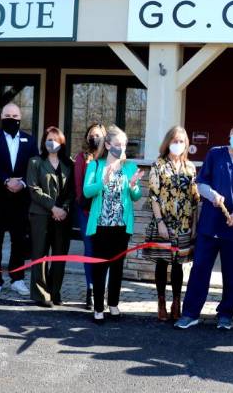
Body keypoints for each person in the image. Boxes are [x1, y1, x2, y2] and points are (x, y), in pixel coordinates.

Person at [174, 120, 233, 330]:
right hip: (209, 227)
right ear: (230, 133)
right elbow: (201, 183)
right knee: (199, 271)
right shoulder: (215, 154)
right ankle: (190, 313)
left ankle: (226, 314)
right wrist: (212, 194)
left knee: (232, 275)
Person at [83, 125, 144, 324]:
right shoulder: (95, 165)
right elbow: (87, 192)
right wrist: (103, 181)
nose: (122, 147)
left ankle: (114, 304)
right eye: (118, 144)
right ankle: (98, 308)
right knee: (100, 267)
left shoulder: (129, 167)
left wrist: (134, 185)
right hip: (100, 225)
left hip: (121, 225)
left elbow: (135, 196)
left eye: (124, 144)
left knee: (117, 266)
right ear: (108, 145)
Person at [0, 103, 39, 298]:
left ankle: (17, 279)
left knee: (19, 241)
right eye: (8, 115)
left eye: (15, 115)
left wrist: (21, 182)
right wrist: (5, 180)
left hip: (20, 199)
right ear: (1, 117)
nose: (12, 118)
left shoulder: (29, 141)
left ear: (21, 118)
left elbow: (33, 166)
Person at [142, 126, 200, 321]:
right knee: (162, 261)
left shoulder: (190, 167)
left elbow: (194, 199)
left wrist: (194, 226)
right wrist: (160, 223)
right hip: (164, 222)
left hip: (183, 223)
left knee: (178, 264)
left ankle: (177, 301)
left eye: (182, 141)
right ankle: (161, 301)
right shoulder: (158, 165)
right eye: (175, 141)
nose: (178, 145)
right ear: (168, 142)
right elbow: (154, 196)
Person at [27, 126, 74, 308]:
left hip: (63, 217)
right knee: (40, 255)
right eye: (48, 139)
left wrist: (63, 209)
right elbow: (33, 189)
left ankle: (55, 292)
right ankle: (41, 294)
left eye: (55, 139)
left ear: (61, 143)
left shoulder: (69, 165)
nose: (51, 143)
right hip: (40, 215)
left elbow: (72, 192)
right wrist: (53, 207)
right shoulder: (35, 162)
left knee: (59, 256)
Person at [74, 123, 106, 310]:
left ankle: (103, 289)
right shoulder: (81, 157)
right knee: (90, 250)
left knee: (103, 252)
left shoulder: (107, 158)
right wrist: (84, 205)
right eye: (91, 134)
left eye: (98, 135)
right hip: (86, 212)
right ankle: (90, 290)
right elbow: (79, 188)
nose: (94, 138)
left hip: (105, 214)